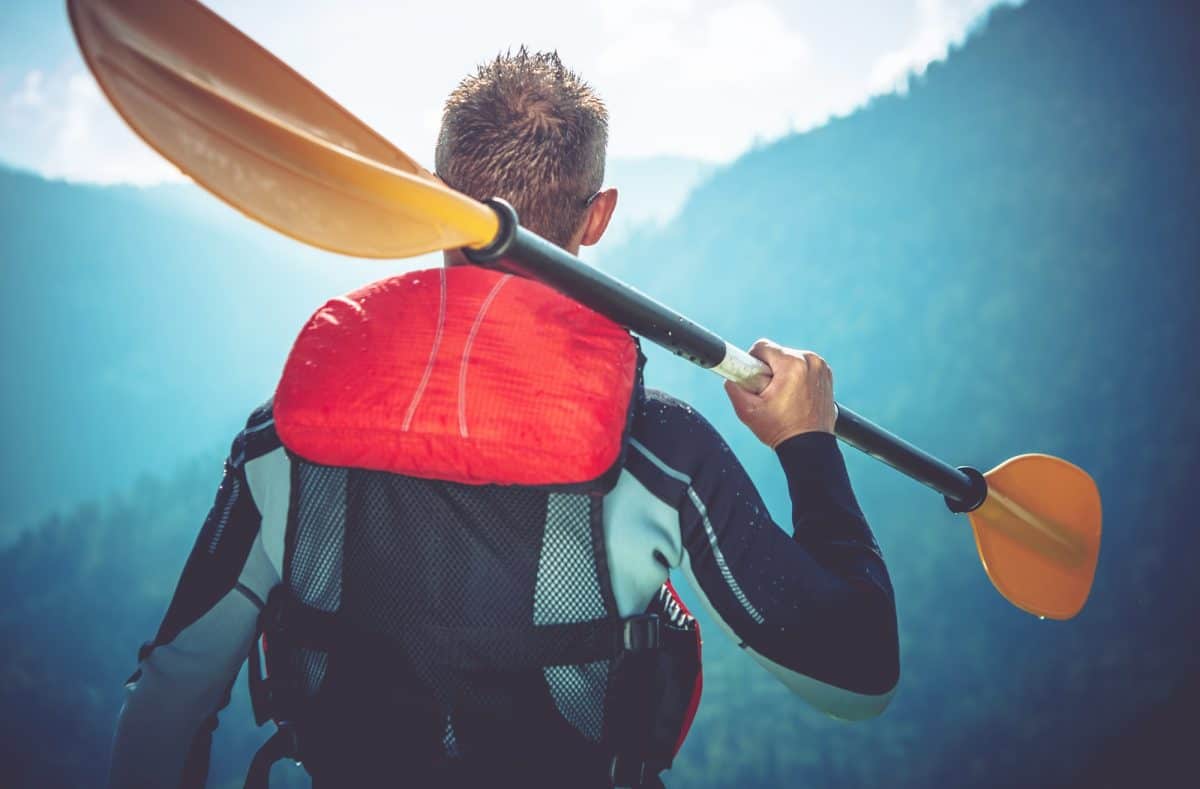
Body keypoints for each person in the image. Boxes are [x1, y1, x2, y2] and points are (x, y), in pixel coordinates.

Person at [107, 49, 899, 789]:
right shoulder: (661, 449)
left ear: (432, 197)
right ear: (599, 216)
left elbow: (167, 702)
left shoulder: (286, 434)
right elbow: (859, 676)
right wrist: (807, 445)